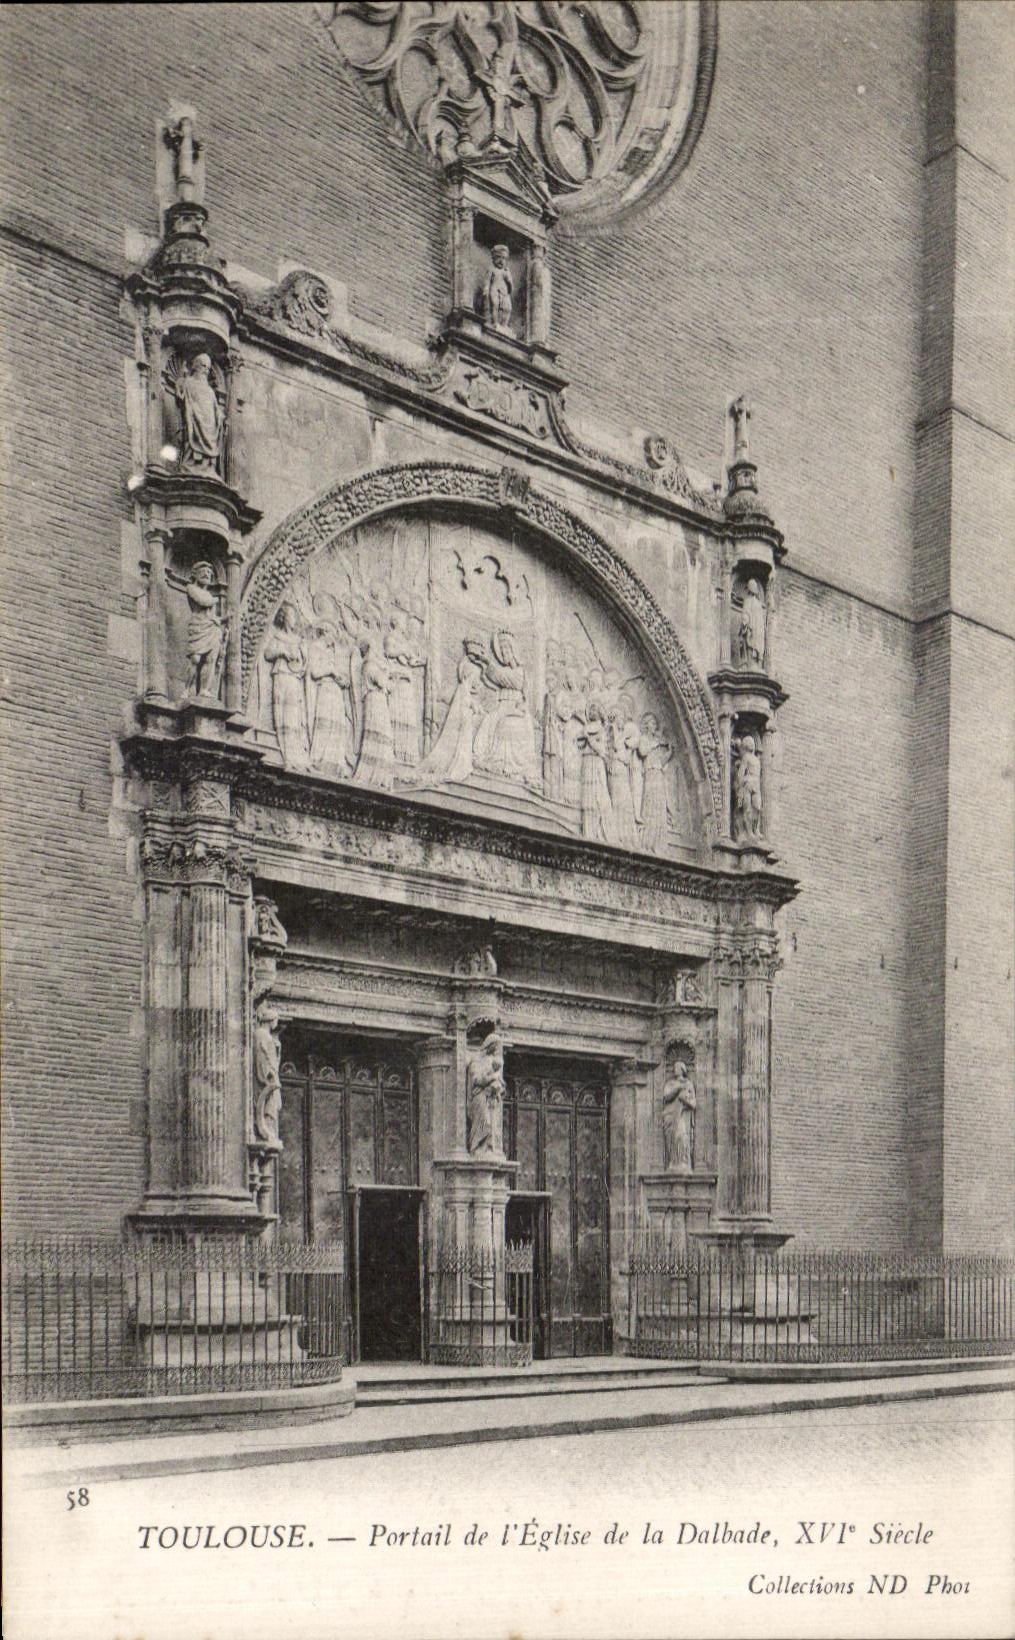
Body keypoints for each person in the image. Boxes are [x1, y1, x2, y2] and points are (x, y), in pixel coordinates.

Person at [411, 645, 486, 786]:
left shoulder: (464, 682)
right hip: (463, 715)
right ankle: (460, 765)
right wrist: (475, 707)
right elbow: (468, 698)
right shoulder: (466, 683)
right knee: (463, 737)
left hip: (464, 711)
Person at [472, 631, 540, 786]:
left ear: (514, 651)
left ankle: (504, 763)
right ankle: (479, 757)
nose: (505, 654)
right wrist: (483, 665)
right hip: (502, 706)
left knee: (503, 723)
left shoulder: (519, 672)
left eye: (507, 650)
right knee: (489, 719)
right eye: (502, 651)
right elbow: (495, 679)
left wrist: (488, 662)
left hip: (514, 709)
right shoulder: (507, 671)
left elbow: (506, 679)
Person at [307, 594, 353, 771]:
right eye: (332, 633)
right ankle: (321, 759)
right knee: (326, 723)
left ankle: (336, 761)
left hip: (336, 691)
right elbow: (315, 672)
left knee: (338, 725)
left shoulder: (333, 651)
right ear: (325, 631)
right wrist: (332, 672)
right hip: (325, 689)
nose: (334, 638)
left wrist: (343, 680)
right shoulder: (316, 647)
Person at [263, 603, 309, 768]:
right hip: (282, 675)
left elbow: (304, 664)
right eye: (291, 616)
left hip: (294, 678)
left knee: (294, 716)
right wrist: (282, 652)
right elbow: (268, 654)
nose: (294, 620)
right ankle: (286, 753)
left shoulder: (298, 641)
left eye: (294, 617)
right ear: (283, 618)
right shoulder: (277, 637)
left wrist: (303, 656)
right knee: (283, 713)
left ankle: (297, 754)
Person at [353, 637, 395, 789]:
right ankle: (375, 775)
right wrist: (389, 673)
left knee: (382, 735)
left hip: (377, 701)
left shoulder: (371, 666)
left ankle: (380, 774)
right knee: (380, 733)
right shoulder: (370, 666)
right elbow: (384, 683)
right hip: (376, 701)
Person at [173, 352, 224, 472]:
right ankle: (190, 464)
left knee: (209, 439)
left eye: (208, 367)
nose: (206, 370)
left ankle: (207, 466)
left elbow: (216, 408)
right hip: (193, 418)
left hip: (209, 422)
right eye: (203, 365)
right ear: (195, 366)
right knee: (191, 437)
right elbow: (181, 398)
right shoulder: (188, 382)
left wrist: (220, 416)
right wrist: (178, 386)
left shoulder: (210, 391)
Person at [183, 561, 225, 699]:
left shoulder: (209, 594)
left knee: (210, 659)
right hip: (198, 626)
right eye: (203, 571)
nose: (207, 574)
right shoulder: (191, 588)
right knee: (195, 659)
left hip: (211, 628)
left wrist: (225, 619)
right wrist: (216, 600)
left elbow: (212, 616)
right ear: (195, 574)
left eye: (209, 573)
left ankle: (204, 690)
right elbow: (202, 602)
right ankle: (187, 689)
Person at [637, 712, 673, 853]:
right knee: (651, 806)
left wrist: (669, 753)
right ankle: (648, 842)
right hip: (650, 775)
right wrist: (657, 743)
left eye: (655, 724)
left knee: (659, 807)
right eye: (652, 723)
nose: (654, 726)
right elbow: (643, 751)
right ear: (646, 725)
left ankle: (659, 843)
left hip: (658, 774)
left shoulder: (656, 744)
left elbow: (660, 762)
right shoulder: (644, 739)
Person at [466, 1032, 506, 1157]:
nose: (497, 1050)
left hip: (491, 1099)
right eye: (496, 1046)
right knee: (484, 1122)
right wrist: (491, 1078)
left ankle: (487, 1149)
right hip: (479, 1097)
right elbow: (476, 1080)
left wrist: (499, 1085)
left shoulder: (493, 1061)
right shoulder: (476, 1061)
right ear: (490, 1045)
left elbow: (501, 1083)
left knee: (492, 1126)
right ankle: (476, 1148)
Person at [661, 1057, 696, 1172]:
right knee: (671, 1140)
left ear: (682, 1069)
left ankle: (683, 1163)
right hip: (670, 1116)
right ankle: (673, 1162)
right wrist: (677, 1089)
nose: (674, 1069)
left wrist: (684, 1100)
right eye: (674, 1067)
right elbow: (666, 1097)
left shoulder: (688, 1084)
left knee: (681, 1137)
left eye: (677, 1067)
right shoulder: (670, 1084)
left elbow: (693, 1103)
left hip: (681, 1115)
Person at [732, 733, 763, 841]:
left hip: (756, 785)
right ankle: (749, 832)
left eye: (752, 743)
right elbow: (741, 774)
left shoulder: (757, 759)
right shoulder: (746, 757)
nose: (751, 744)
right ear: (745, 746)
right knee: (747, 809)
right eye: (748, 743)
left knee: (757, 808)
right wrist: (741, 786)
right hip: (748, 784)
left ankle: (756, 830)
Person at [481, 244, 514, 333]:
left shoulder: (507, 272)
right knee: (495, 305)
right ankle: (495, 322)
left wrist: (508, 280)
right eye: (498, 257)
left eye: (503, 258)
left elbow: (511, 288)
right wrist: (486, 290)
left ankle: (504, 325)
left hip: (505, 293)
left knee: (507, 308)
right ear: (494, 259)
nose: (501, 260)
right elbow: (487, 281)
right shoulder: (492, 269)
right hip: (494, 290)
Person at [738, 578, 767, 669]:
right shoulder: (759, 604)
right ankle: (756, 664)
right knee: (756, 646)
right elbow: (761, 622)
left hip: (751, 631)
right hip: (758, 633)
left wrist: (744, 624)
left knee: (748, 645)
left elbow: (745, 615)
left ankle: (748, 664)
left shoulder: (748, 601)